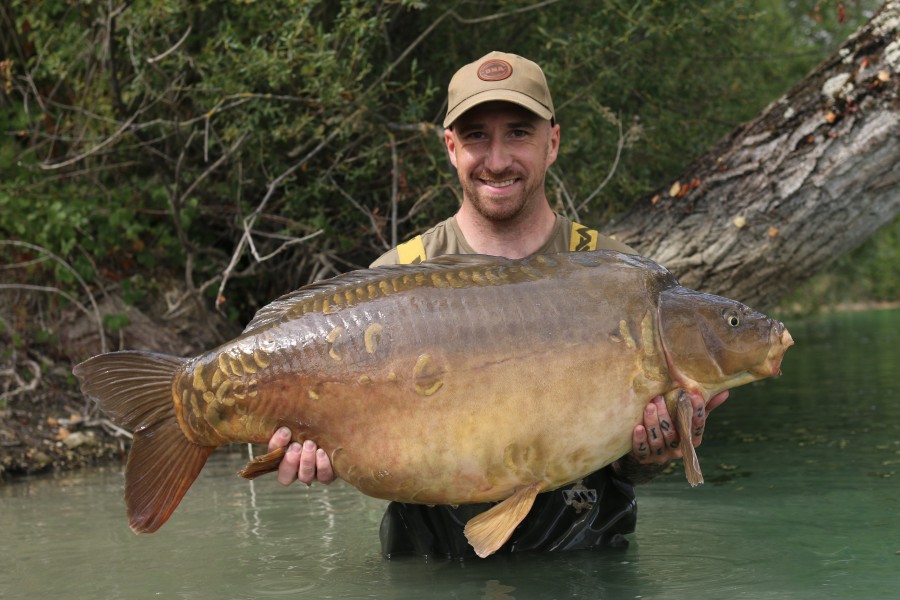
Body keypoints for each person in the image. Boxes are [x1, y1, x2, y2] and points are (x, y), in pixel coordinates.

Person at [267, 51, 728, 558]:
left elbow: (629, 467)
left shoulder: (616, 274)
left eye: (518, 133)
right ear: (450, 147)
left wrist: (653, 454)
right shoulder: (395, 281)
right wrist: (321, 453)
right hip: (430, 568)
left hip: (583, 566)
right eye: (476, 136)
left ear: (552, 141)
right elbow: (366, 447)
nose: (498, 159)